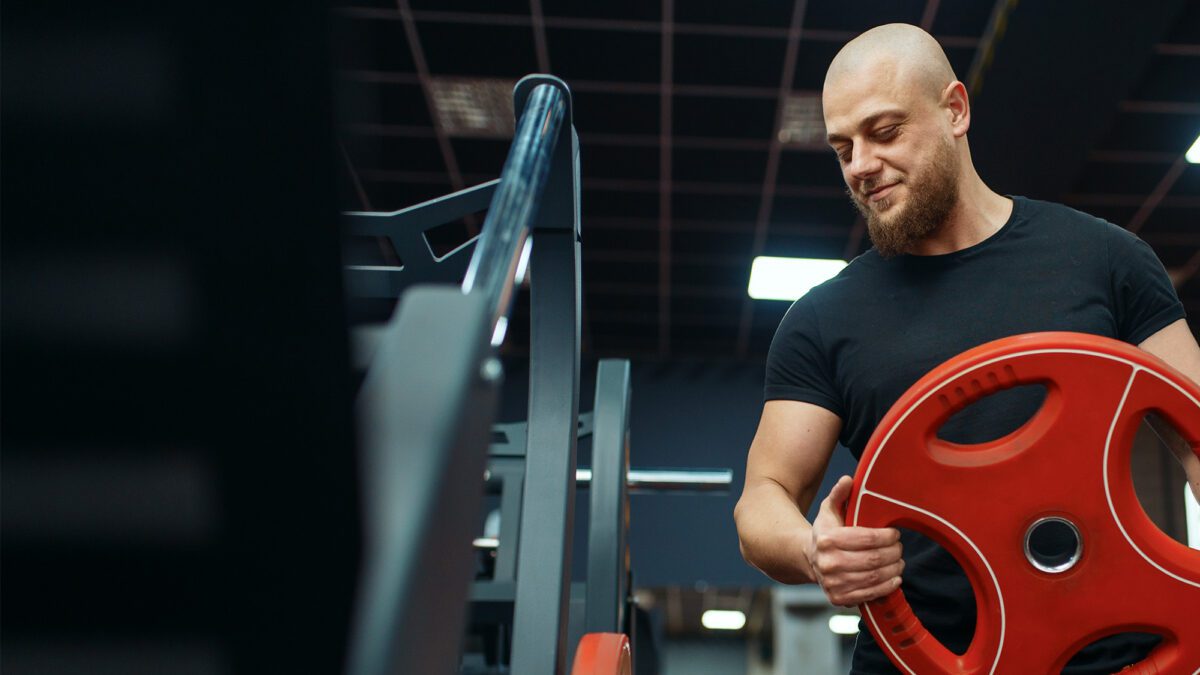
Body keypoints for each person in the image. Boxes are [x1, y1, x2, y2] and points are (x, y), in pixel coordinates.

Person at [732, 23, 1200, 674]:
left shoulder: (1104, 259)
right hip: (926, 659)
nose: (860, 165)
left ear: (955, 110)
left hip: (1113, 649)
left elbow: (1195, 429)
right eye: (843, 147)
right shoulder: (823, 318)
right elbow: (763, 497)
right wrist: (815, 549)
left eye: (885, 132)